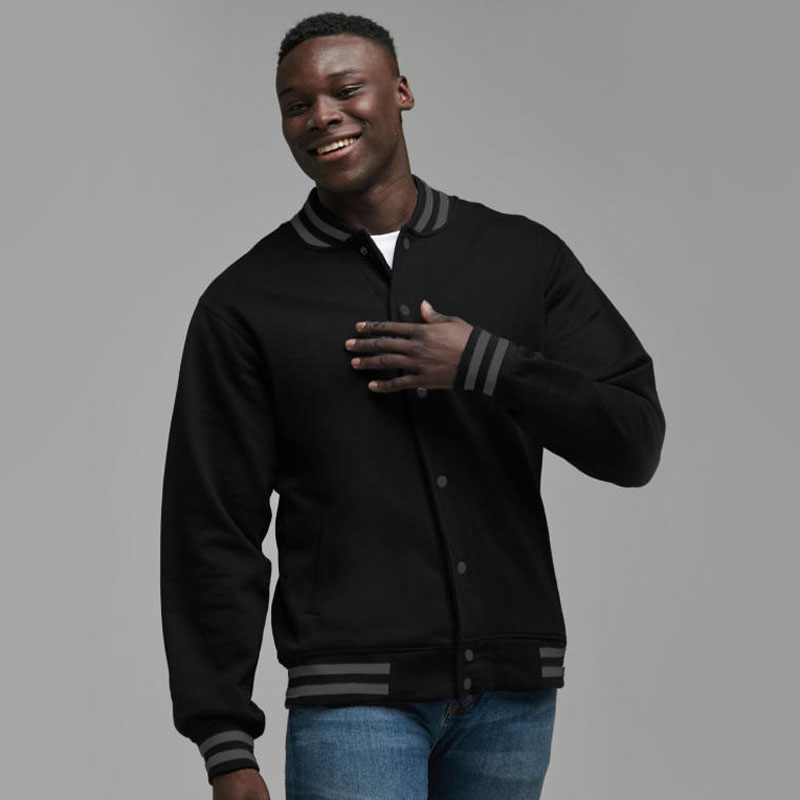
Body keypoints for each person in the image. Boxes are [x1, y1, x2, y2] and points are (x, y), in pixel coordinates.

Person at [160, 11, 666, 800]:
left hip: (513, 696)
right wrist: (225, 742)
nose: (321, 115)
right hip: (352, 701)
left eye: (345, 89)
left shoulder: (521, 257)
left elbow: (633, 442)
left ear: (400, 91)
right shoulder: (246, 302)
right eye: (296, 104)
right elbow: (211, 527)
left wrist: (487, 364)